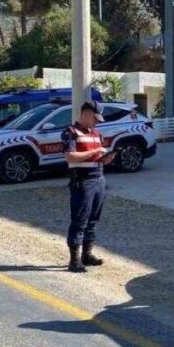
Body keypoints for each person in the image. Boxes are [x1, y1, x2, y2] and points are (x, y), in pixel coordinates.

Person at [63, 101, 116, 273]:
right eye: (95, 118)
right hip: (82, 181)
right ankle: (74, 260)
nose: (97, 122)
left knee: (93, 219)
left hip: (98, 178)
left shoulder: (96, 134)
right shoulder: (71, 132)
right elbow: (70, 156)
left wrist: (105, 158)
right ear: (85, 114)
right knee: (80, 220)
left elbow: (96, 157)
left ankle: (87, 254)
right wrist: (94, 152)